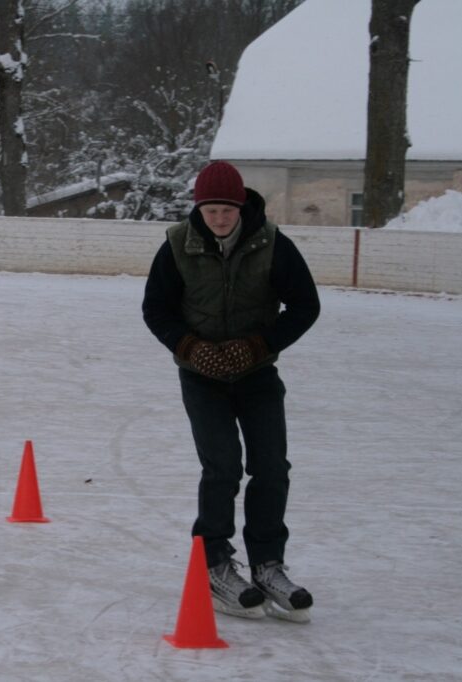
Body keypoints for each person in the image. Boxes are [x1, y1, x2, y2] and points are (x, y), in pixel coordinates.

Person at [141, 160, 320, 622]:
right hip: (201, 378)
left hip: (257, 375)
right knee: (221, 467)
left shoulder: (272, 244)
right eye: (211, 210)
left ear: (241, 207)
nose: (219, 218)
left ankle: (267, 565)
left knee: (271, 467)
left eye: (226, 210)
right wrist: (190, 348)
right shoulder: (178, 246)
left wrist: (259, 345)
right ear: (198, 208)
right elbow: (156, 309)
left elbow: (305, 305)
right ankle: (215, 563)